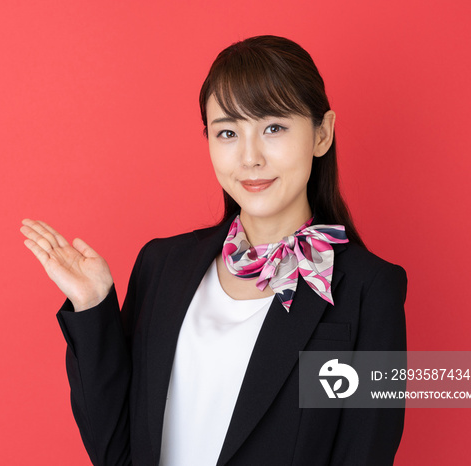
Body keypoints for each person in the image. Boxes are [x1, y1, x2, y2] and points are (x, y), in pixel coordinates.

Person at [20, 35, 407, 466]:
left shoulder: (372, 290)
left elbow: (364, 450)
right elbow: (115, 451)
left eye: (273, 128)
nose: (249, 157)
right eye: (227, 132)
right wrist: (93, 305)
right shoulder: (162, 266)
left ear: (322, 133)